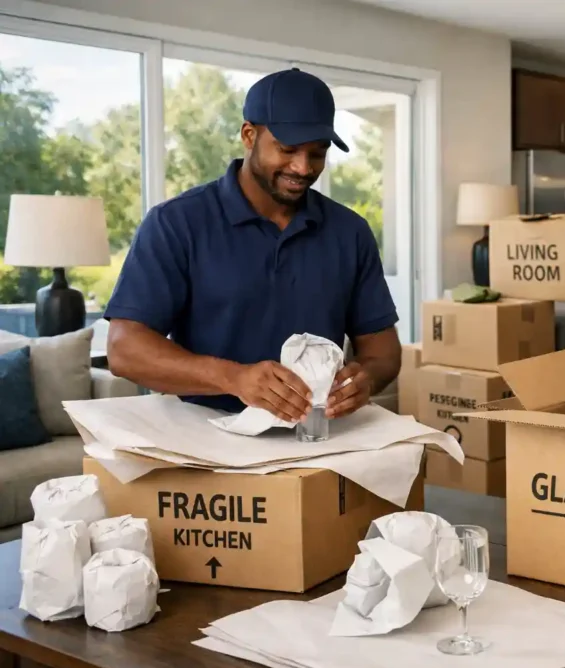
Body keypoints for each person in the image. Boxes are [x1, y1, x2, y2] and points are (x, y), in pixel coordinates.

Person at [104, 68, 401, 424]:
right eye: (287, 149)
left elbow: (383, 352)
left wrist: (364, 380)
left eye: (317, 153)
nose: (303, 168)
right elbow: (124, 350)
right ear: (249, 135)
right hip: (204, 435)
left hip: (315, 436)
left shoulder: (350, 232)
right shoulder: (176, 223)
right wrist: (234, 378)